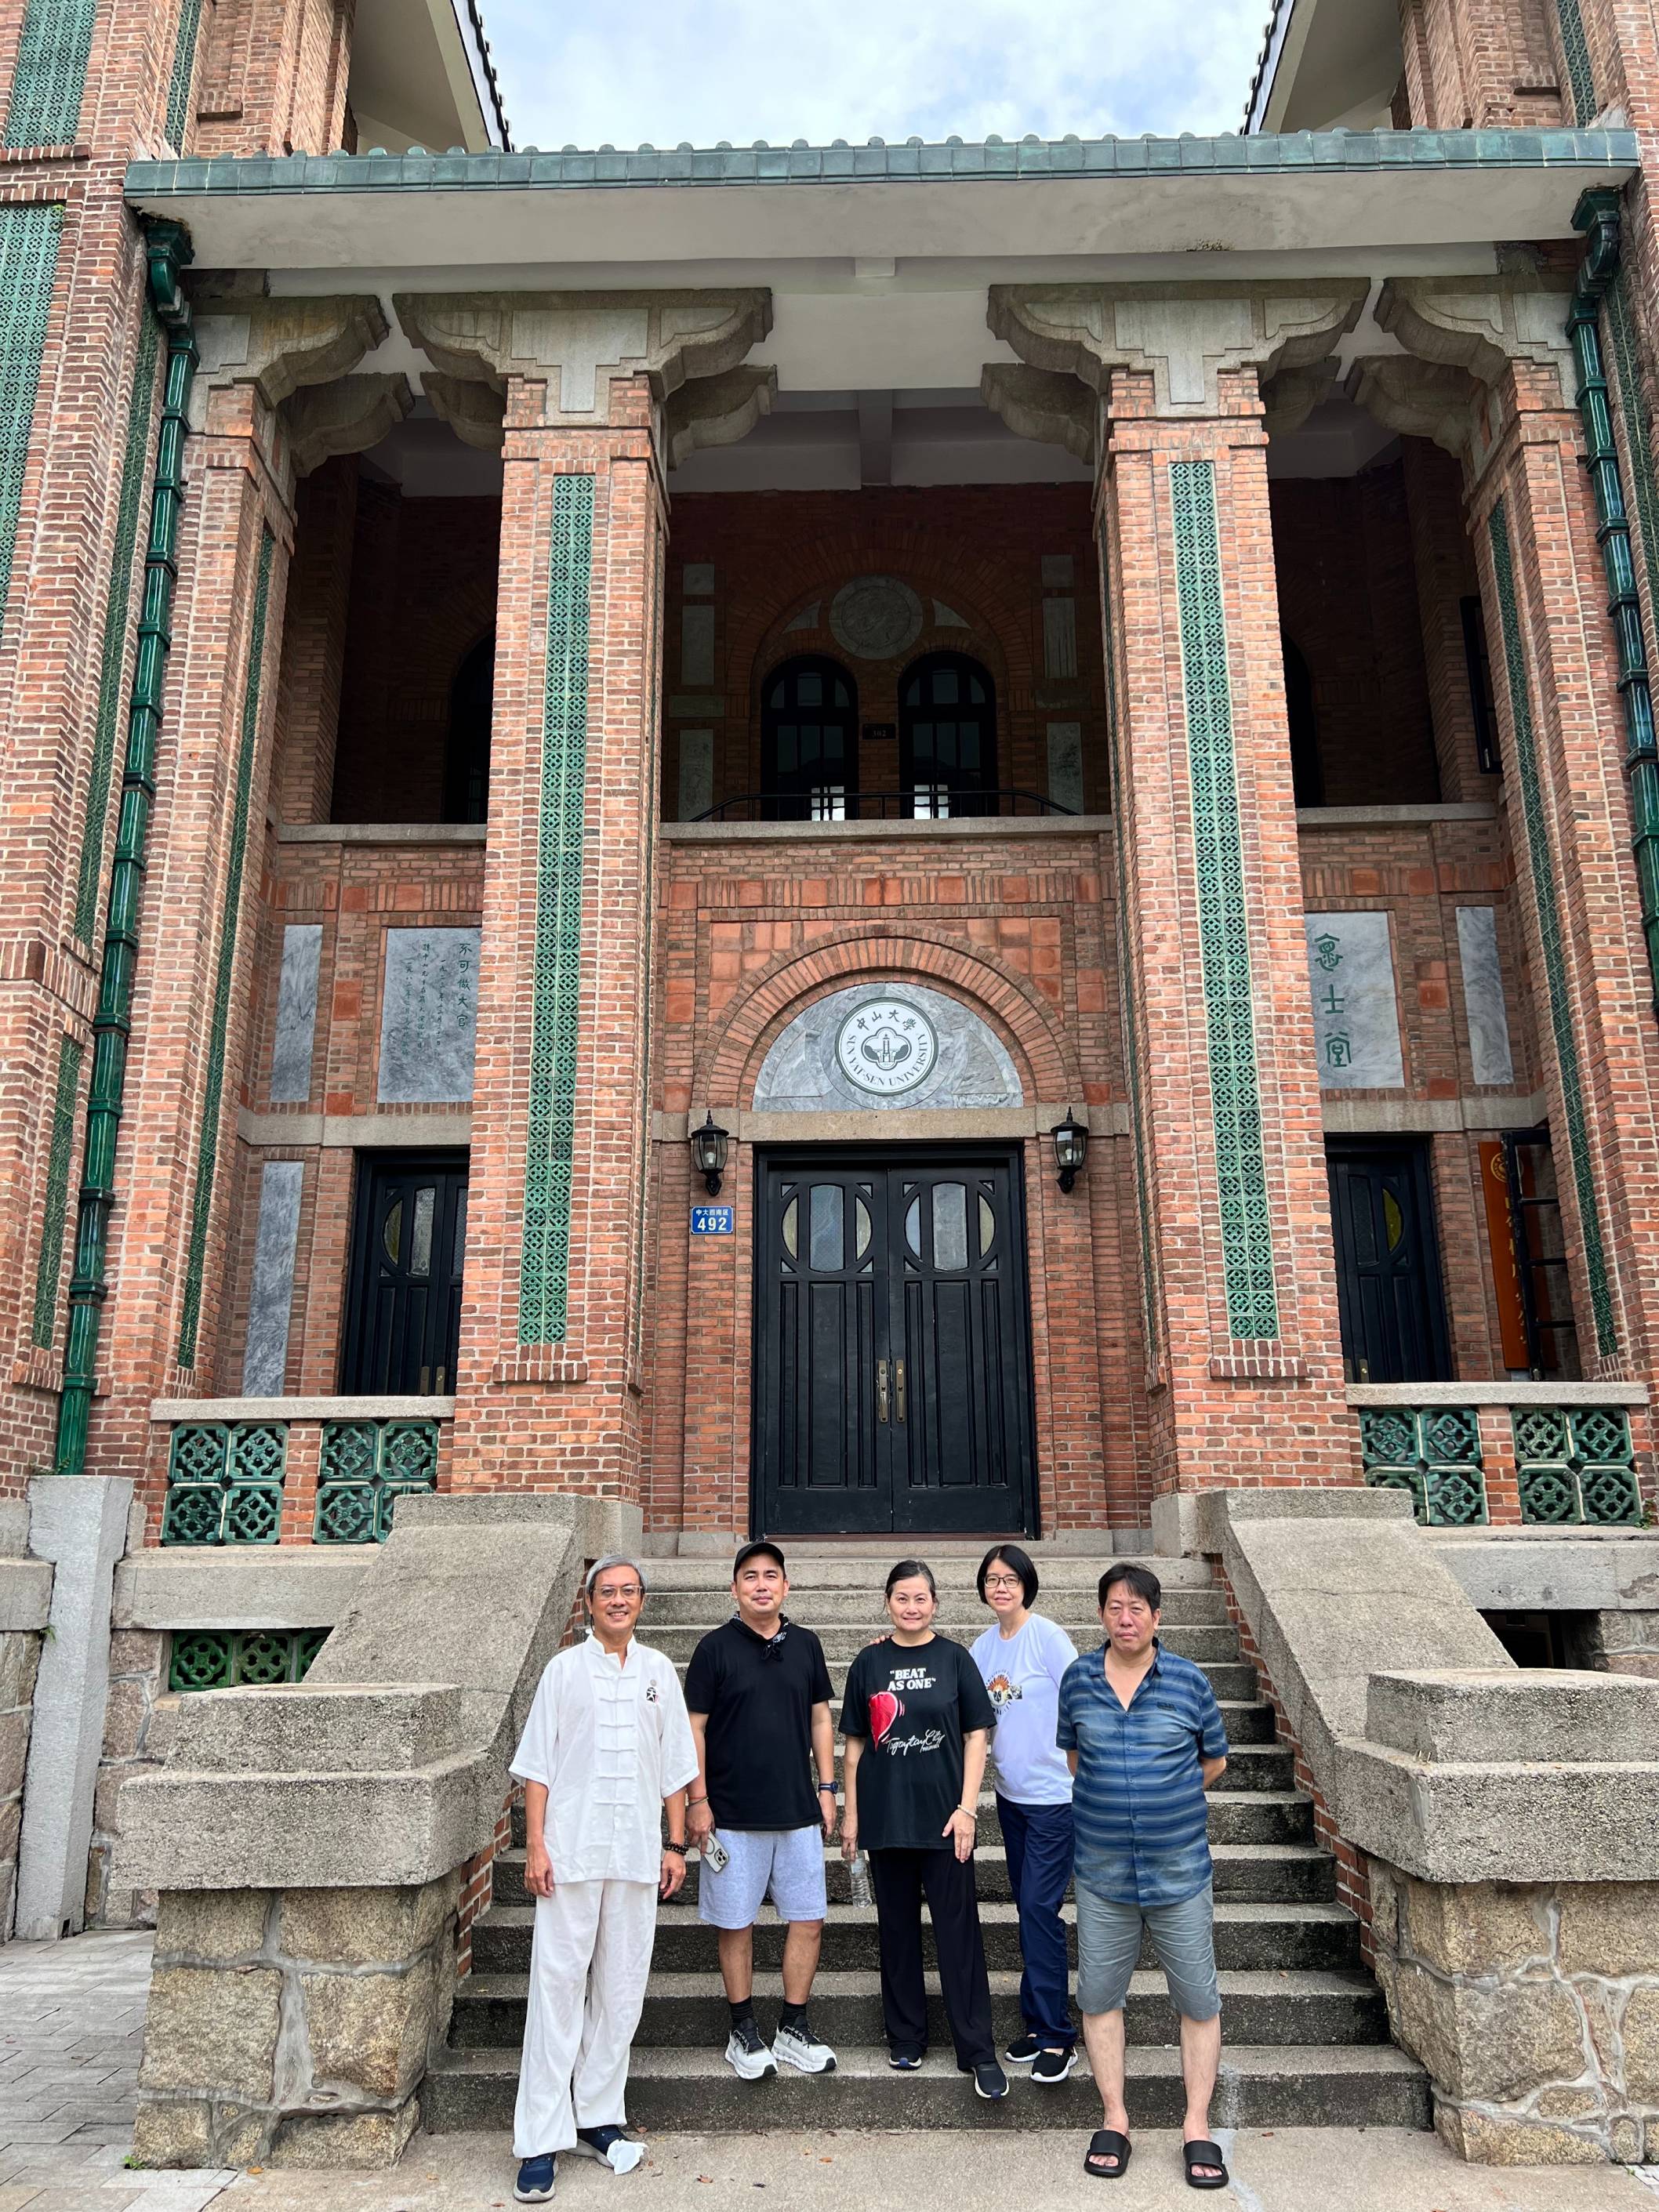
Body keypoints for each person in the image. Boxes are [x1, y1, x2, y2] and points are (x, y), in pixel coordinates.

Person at [507, 1554, 698, 2206]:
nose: (618, 1600)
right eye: (606, 1592)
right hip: (570, 1854)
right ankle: (539, 2138)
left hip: (638, 1855)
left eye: (629, 1591)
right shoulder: (564, 1671)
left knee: (620, 1991)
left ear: (642, 1602)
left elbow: (676, 1767)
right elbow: (537, 1766)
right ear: (588, 1604)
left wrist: (675, 1845)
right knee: (557, 1990)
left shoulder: (657, 1672)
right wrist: (535, 1845)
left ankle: (596, 2116)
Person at [1058, 1561, 1230, 2191]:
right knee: (1100, 1996)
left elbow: (1213, 1759)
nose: (1125, 1618)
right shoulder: (1078, 1679)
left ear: (1157, 1617)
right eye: (1114, 1607)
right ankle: (1115, 2117)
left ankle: (1196, 2125)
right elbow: (1076, 1758)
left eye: (1137, 1608)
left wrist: (1167, 1796)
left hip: (1179, 1870)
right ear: (1101, 1614)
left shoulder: (1188, 1681)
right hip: (1103, 1874)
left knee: (1197, 1999)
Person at [839, 1557, 1008, 2101]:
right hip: (887, 1820)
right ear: (887, 1602)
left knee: (959, 1937)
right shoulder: (868, 1662)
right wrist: (852, 1813)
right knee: (897, 1932)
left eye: (921, 1598)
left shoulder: (955, 1659)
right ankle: (906, 2036)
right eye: (902, 1598)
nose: (912, 1607)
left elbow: (977, 1737)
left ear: (935, 1603)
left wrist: (968, 1809)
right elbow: (856, 1746)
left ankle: (977, 2049)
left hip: (945, 1823)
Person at [684, 1539, 839, 2080]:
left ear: (786, 1586)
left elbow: (821, 1718)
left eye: (771, 1575)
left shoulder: (807, 1645)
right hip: (729, 1813)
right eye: (749, 1576)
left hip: (797, 1810)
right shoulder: (713, 1649)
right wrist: (697, 1801)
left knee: (809, 1919)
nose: (761, 1584)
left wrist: (827, 1787)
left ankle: (793, 2026)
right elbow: (694, 1729)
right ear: (734, 1588)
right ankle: (743, 2028)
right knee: (736, 1923)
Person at [970, 1542, 1079, 2083]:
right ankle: (1038, 2025)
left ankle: (1059, 2035)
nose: (1001, 1587)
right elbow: (961, 1707)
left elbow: (1084, 1699)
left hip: (1057, 1799)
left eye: (1010, 1578)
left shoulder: (1048, 1637)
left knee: (1039, 1908)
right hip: (1012, 1798)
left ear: (1026, 1584)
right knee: (1028, 1908)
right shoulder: (983, 1647)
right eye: (992, 1579)